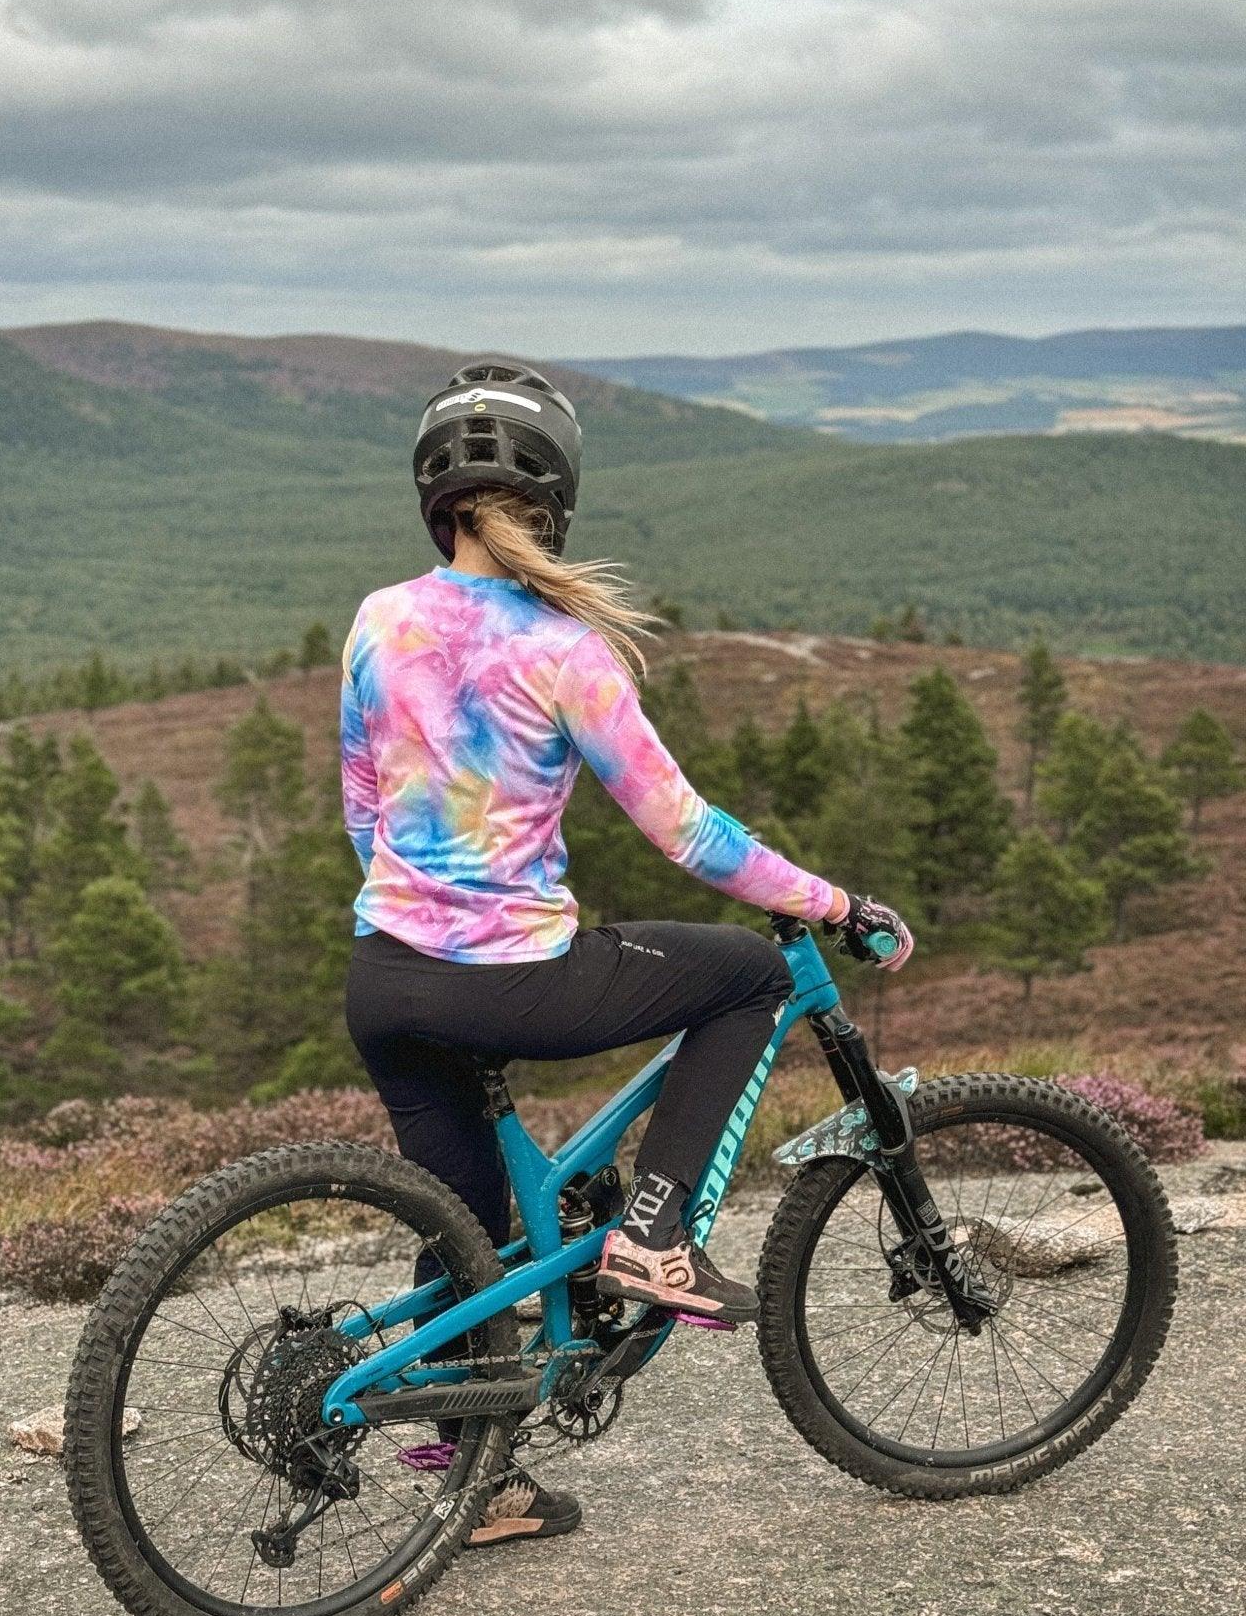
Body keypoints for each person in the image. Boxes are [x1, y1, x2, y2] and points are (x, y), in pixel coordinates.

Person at [341, 359, 913, 1546]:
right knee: (750, 974)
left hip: (385, 976)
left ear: (437, 502)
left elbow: (362, 803)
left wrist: (431, 906)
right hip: (513, 979)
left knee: (468, 1227)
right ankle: (654, 1232)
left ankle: (479, 1478)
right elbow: (688, 833)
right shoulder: (567, 649)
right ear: (554, 500)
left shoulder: (378, 618)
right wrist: (830, 899)